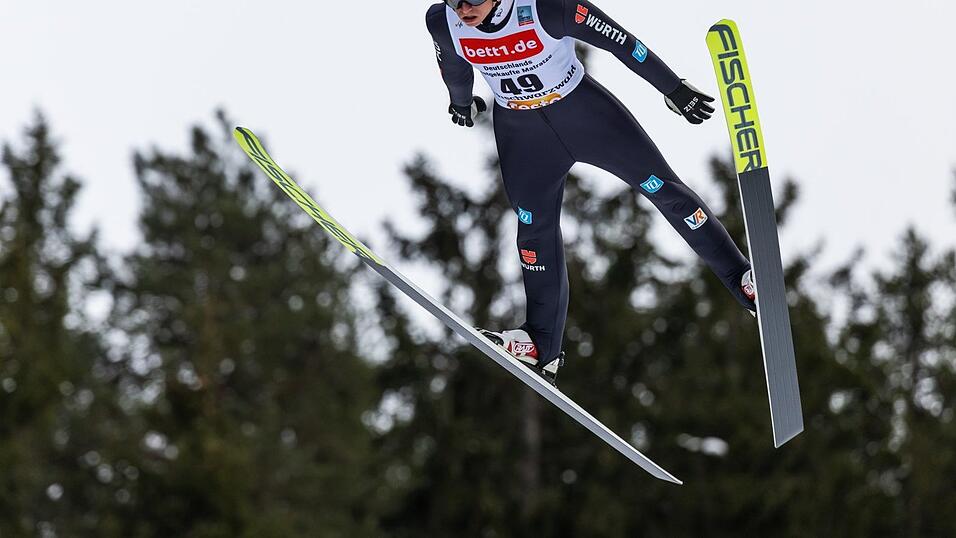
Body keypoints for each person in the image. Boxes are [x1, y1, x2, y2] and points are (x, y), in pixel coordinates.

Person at [426, 0, 756, 385]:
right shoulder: (443, 21)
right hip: (524, 136)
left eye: (473, 0)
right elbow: (453, 63)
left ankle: (743, 280)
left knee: (664, 189)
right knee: (533, 229)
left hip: (585, 116)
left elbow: (621, 42)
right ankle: (541, 343)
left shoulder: (548, 7)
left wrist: (673, 87)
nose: (464, 9)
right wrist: (461, 103)